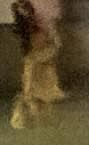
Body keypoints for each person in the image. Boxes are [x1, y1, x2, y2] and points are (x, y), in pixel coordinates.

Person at [10, 0, 64, 130]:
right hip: (37, 67)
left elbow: (54, 46)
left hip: (41, 67)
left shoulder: (40, 36)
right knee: (37, 97)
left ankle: (45, 122)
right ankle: (42, 122)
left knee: (41, 97)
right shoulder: (32, 52)